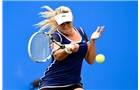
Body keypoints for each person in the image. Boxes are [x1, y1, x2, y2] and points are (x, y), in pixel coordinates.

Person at [35, 6, 105, 90]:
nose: (65, 26)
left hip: (73, 83)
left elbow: (90, 60)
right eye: (62, 24)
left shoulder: (81, 31)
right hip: (52, 83)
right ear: (57, 23)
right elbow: (57, 56)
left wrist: (92, 41)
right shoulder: (56, 36)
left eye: (68, 22)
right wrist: (68, 49)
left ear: (72, 19)